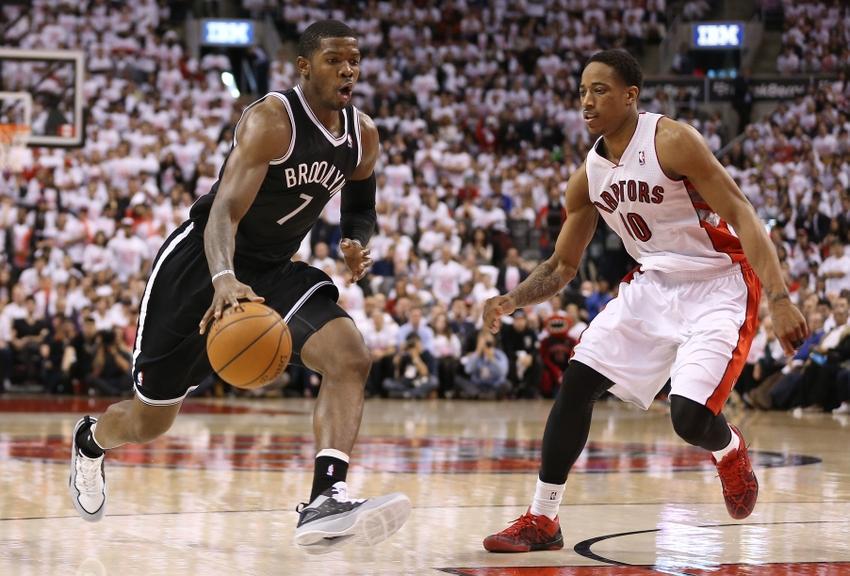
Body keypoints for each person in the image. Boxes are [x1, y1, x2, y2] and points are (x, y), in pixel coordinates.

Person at [68, 20, 410, 553]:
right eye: (334, 61)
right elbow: (223, 211)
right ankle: (92, 442)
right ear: (304, 67)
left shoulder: (362, 134)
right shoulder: (273, 120)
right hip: (198, 266)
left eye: (354, 61)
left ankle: (325, 497)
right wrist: (224, 279)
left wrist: (353, 238)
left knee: (350, 357)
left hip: (272, 270)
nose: (348, 70)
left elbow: (362, 203)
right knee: (148, 421)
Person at [481, 49, 808, 553]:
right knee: (577, 380)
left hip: (720, 283)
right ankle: (543, 519)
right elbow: (561, 266)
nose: (587, 101)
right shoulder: (588, 174)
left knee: (689, 418)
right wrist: (512, 299)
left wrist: (780, 299)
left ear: (631, 95)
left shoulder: (672, 141)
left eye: (600, 90)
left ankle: (729, 447)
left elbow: (743, 214)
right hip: (653, 285)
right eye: (582, 92)